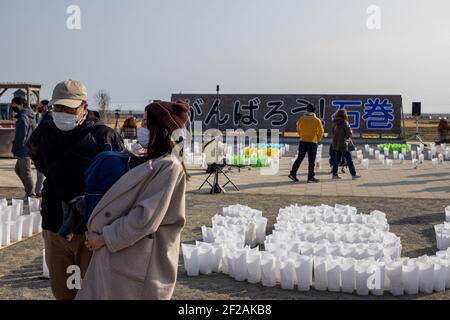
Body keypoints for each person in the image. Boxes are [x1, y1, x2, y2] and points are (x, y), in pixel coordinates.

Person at [76, 101, 189, 300]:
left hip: (138, 260)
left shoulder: (169, 166)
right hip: (124, 255)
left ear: (161, 130)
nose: (141, 128)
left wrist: (103, 238)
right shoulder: (146, 159)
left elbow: (144, 219)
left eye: (146, 123)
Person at [27, 80, 125, 300]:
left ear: (84, 107)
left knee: (92, 291)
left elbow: (120, 181)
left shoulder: (103, 136)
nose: (62, 113)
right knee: (63, 292)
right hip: (54, 223)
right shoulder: (45, 132)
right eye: (58, 108)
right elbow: (40, 161)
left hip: (90, 229)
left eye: (69, 108)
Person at [289, 103, 324, 183]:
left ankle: (293, 173)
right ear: (314, 110)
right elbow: (321, 131)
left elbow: (298, 128)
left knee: (299, 158)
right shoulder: (317, 120)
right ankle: (310, 177)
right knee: (311, 161)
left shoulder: (302, 119)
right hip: (312, 142)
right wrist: (317, 139)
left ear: (307, 110)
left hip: (303, 141)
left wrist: (301, 135)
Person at [11, 97, 36, 200]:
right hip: (29, 147)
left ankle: (31, 194)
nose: (12, 107)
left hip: (23, 149)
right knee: (18, 169)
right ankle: (28, 191)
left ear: (20, 104)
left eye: (13, 105)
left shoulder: (23, 117)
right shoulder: (31, 115)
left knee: (25, 172)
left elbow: (21, 136)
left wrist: (15, 148)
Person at [331, 109, 361, 180]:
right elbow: (348, 134)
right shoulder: (345, 123)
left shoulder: (335, 123)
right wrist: (351, 131)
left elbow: (332, 132)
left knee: (337, 159)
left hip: (337, 143)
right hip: (344, 144)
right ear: (344, 115)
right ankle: (353, 175)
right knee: (349, 159)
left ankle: (334, 174)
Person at [34, 100, 53, 197]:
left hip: (44, 148)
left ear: (45, 107)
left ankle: (40, 190)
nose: (39, 107)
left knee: (41, 170)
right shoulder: (43, 116)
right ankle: (39, 190)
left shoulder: (48, 117)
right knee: (40, 170)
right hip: (42, 147)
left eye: (40, 106)